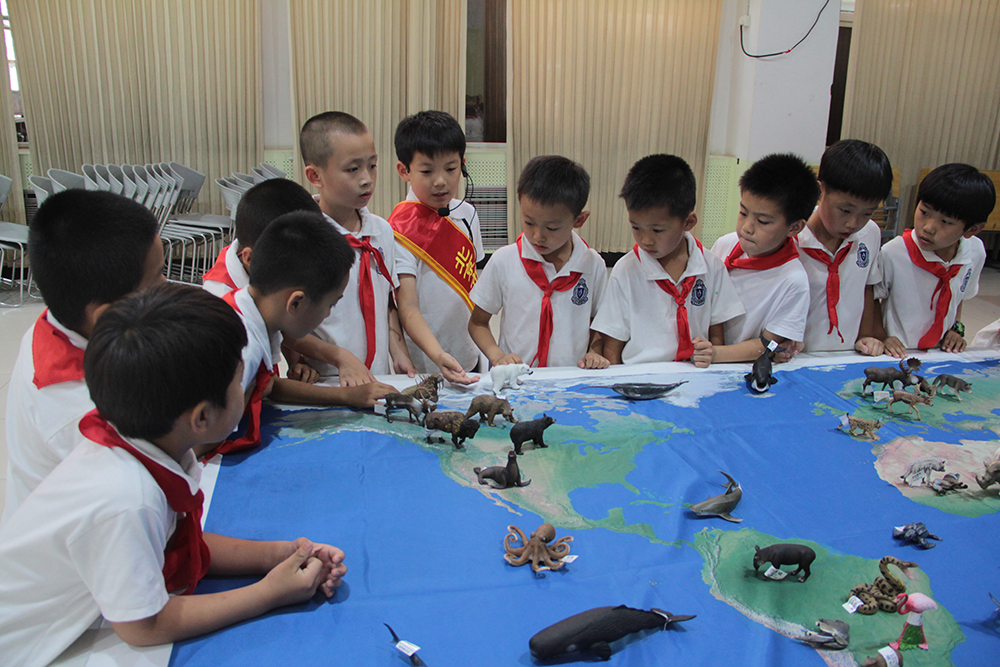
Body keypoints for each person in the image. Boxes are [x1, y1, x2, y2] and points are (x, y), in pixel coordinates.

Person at [0, 283, 347, 666]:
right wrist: (269, 593)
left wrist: (279, 554)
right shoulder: (127, 496)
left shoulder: (146, 444)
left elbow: (174, 539)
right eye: (238, 382)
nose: (245, 389)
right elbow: (144, 625)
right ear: (202, 417)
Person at [3, 191, 164, 522]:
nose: (169, 286)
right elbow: (146, 515)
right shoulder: (88, 416)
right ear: (108, 315)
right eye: (157, 278)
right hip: (82, 545)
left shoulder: (61, 318)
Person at [208, 211, 395, 458]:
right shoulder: (242, 348)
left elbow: (268, 386)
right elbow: (199, 442)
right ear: (296, 303)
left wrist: (347, 396)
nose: (328, 315)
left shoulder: (256, 313)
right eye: (331, 305)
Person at [592, 154, 743, 367]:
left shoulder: (712, 266)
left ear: (688, 222)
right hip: (641, 375)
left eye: (657, 230)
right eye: (636, 227)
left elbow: (716, 329)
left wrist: (713, 368)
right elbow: (613, 343)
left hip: (694, 373)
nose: (646, 240)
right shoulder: (625, 270)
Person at [299, 111, 414, 379]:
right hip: (329, 380)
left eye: (372, 165)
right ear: (315, 176)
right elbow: (284, 320)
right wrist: (302, 360)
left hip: (378, 378)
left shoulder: (381, 231)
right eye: (353, 169)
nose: (367, 179)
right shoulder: (303, 238)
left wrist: (399, 352)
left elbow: (385, 300)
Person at [468, 155, 609, 368]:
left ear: (579, 220)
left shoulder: (593, 265)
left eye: (552, 228)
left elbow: (601, 323)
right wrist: (497, 356)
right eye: (528, 222)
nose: (537, 236)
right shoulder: (504, 261)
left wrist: (594, 351)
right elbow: (477, 323)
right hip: (518, 379)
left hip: (570, 378)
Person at [388, 110, 483, 384]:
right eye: (427, 171)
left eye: (451, 169)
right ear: (404, 171)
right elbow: (407, 308)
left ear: (462, 165)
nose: (440, 181)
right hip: (425, 362)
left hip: (468, 352)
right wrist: (438, 354)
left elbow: (473, 283)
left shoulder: (468, 214)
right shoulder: (398, 230)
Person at [202, 178, 325, 384]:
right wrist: (345, 395)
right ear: (250, 259)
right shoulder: (222, 309)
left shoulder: (251, 251)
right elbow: (266, 386)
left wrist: (296, 361)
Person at [876, 163, 995, 355]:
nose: (928, 228)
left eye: (946, 222)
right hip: (895, 352)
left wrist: (956, 329)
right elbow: (871, 298)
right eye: (924, 212)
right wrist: (881, 336)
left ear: (972, 229)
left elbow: (958, 295)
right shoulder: (894, 253)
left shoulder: (975, 252)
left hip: (939, 353)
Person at [709, 153, 818, 362]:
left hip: (742, 367)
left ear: (794, 227)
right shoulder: (725, 245)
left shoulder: (793, 280)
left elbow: (768, 344)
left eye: (763, 222)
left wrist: (714, 354)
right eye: (743, 213)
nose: (747, 228)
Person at [797, 139, 892, 355]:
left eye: (867, 213)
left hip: (846, 353)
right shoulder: (793, 236)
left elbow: (866, 286)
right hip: (798, 355)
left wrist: (866, 335)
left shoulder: (870, 233)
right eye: (845, 210)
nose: (853, 223)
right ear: (821, 190)